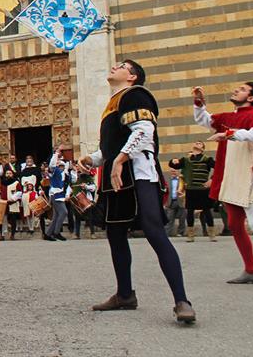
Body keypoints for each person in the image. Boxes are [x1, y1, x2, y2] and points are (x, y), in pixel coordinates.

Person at [77, 60, 195, 323]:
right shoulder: (116, 101)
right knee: (116, 234)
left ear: (131, 76)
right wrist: (94, 159)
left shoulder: (136, 94)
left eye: (121, 66)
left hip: (138, 174)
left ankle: (182, 300)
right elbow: (116, 142)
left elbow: (144, 131)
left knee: (154, 232)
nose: (114, 67)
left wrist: (119, 160)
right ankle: (125, 294)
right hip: (117, 177)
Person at [192, 82, 253, 287]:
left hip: (248, 176)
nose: (235, 90)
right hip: (230, 177)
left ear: (251, 98)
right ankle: (251, 270)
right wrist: (199, 103)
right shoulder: (228, 117)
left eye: (242, 89)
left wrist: (230, 134)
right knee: (233, 223)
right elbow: (204, 120)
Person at [169, 142, 217, 242]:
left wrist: (212, 179)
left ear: (203, 148)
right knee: (189, 212)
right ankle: (190, 234)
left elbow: (219, 168)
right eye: (196, 143)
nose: (197, 143)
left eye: (200, 143)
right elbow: (174, 165)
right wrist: (173, 161)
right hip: (191, 190)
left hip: (203, 189)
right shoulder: (186, 160)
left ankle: (211, 233)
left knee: (207, 211)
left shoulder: (207, 159)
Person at [45, 149, 68, 241]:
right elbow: (52, 165)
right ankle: (56, 232)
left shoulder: (64, 174)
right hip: (55, 194)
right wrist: (56, 154)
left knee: (56, 215)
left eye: (62, 165)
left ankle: (48, 234)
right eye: (60, 165)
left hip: (60, 194)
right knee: (63, 212)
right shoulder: (55, 171)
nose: (61, 167)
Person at [164, 169, 186, 237]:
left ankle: (180, 232)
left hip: (181, 201)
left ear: (178, 171)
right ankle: (166, 233)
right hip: (171, 202)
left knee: (182, 218)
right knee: (169, 218)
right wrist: (164, 202)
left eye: (175, 171)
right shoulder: (167, 180)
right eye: (172, 171)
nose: (173, 172)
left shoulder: (182, 180)